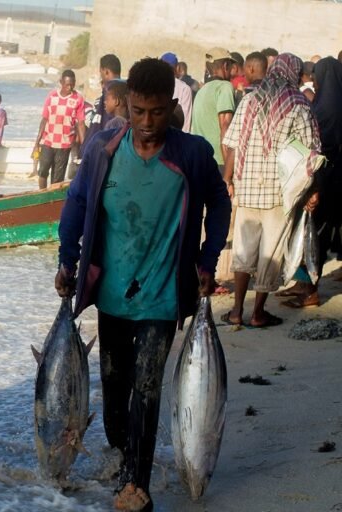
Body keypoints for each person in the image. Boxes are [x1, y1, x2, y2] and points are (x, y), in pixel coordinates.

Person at [55, 58, 230, 512]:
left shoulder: (191, 153)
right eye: (137, 112)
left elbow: (219, 202)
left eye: (156, 112)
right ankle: (122, 454)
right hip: (111, 294)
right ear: (126, 106)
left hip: (162, 295)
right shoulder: (102, 149)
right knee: (114, 390)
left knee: (147, 387)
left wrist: (208, 258)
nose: (147, 123)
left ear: (172, 106)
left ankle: (137, 483)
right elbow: (75, 204)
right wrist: (66, 260)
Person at [221, 53, 321, 327]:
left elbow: (232, 145)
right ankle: (257, 313)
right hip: (280, 193)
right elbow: (310, 156)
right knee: (271, 252)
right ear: (294, 73)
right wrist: (312, 190)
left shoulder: (249, 99)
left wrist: (228, 180)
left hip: (248, 187)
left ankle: (236, 310)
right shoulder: (299, 104)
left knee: (244, 250)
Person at [276, 56, 342, 307]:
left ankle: (311, 291)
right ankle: (304, 283)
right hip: (335, 183)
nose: (313, 80)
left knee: (315, 236)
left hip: (322, 183)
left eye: (316, 76)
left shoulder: (322, 110)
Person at [33, 69, 87, 189]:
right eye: (67, 84)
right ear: (61, 82)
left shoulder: (78, 98)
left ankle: (51, 203)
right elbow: (44, 119)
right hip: (48, 142)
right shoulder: (52, 96)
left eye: (72, 84)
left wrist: (84, 146)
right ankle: (42, 195)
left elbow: (81, 124)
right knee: (42, 171)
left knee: (57, 179)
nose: (70, 87)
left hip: (64, 144)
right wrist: (37, 142)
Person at [191, 48, 236, 174]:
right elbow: (225, 126)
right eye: (231, 66)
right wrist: (228, 174)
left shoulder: (201, 91)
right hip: (219, 163)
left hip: (200, 161)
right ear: (226, 65)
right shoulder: (225, 87)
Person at [82, 54, 122, 152]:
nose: (101, 77)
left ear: (106, 71)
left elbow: (102, 122)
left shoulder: (110, 91)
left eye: (101, 73)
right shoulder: (125, 89)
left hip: (101, 149)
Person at [160, 52, 194, 132]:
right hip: (176, 137)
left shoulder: (153, 84)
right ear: (177, 68)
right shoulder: (184, 89)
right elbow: (186, 120)